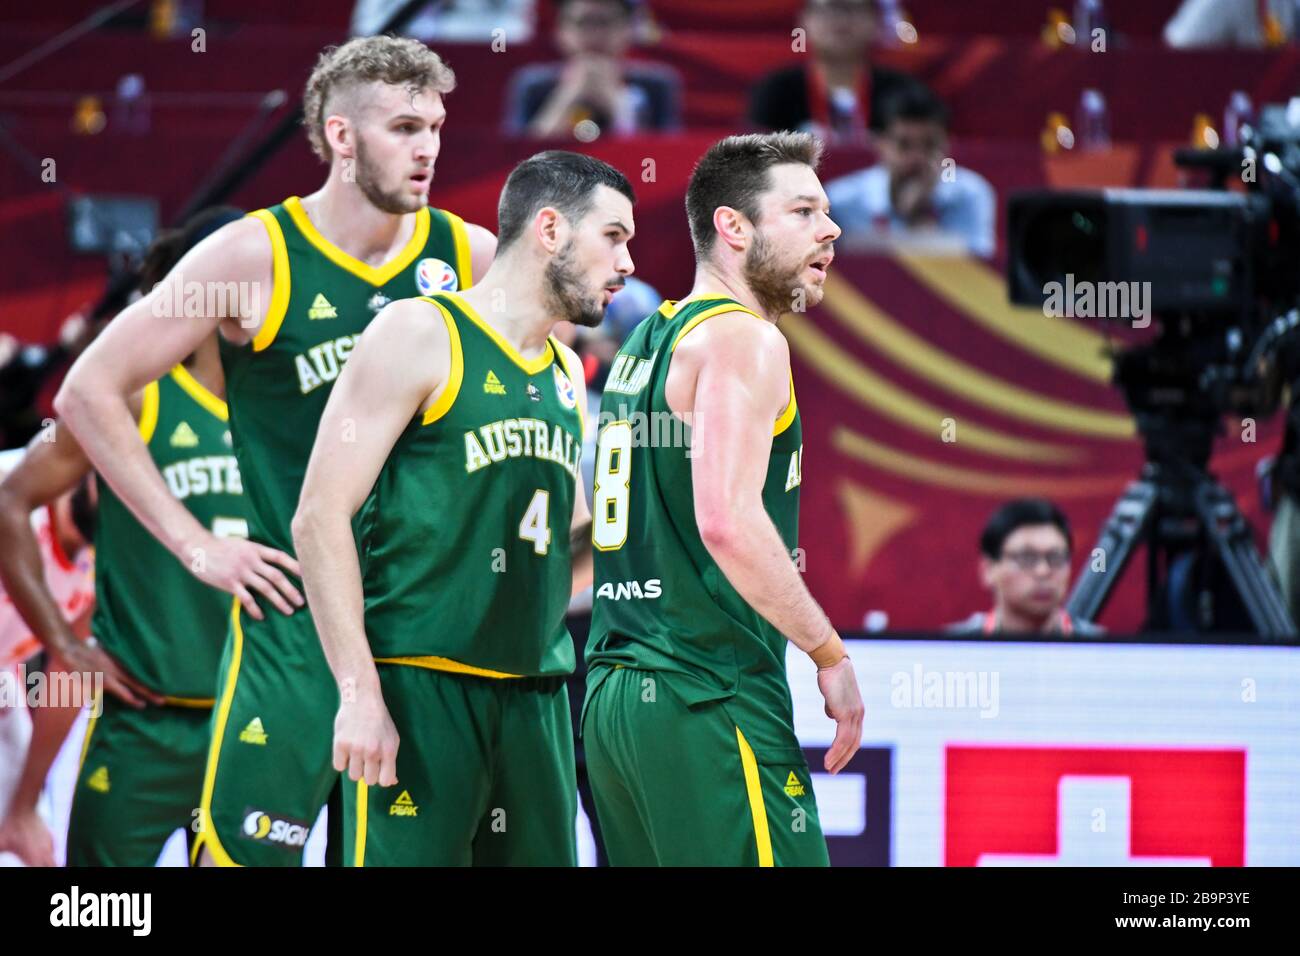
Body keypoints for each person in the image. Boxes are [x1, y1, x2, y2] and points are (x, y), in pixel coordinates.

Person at [54, 35, 496, 867]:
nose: (429, 145)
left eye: (435, 124)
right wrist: (197, 545)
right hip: (295, 627)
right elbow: (87, 391)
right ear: (339, 135)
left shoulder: (466, 256)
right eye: (404, 126)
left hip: (423, 624)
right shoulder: (254, 256)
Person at [293, 150, 634, 865]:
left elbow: (557, 559)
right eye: (614, 236)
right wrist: (358, 692)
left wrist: (638, 508)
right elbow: (319, 515)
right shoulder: (419, 332)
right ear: (550, 229)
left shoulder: (567, 371)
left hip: (536, 696)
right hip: (420, 687)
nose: (627, 262)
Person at [582, 132, 864, 867]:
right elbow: (728, 522)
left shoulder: (648, 337)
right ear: (732, 227)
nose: (830, 229)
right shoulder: (746, 340)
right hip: (707, 692)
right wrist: (827, 653)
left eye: (828, 212)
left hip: (616, 696)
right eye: (803, 211)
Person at [0, 207, 246, 868]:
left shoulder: (295, 410)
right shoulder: (132, 398)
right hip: (143, 727)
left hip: (250, 728)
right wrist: (63, 645)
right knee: (101, 915)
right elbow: (11, 498)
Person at [824, 85, 995, 257]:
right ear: (880, 145)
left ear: (947, 144)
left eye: (930, 145)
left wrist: (919, 217)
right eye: (904, 145)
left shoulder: (971, 193)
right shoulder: (841, 200)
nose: (917, 157)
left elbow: (980, 268)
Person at [748, 0, 930, 144]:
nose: (841, 20)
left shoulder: (904, 90)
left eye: (853, 8)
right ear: (804, 19)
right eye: (829, 7)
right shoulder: (775, 91)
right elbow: (756, 162)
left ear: (875, 20)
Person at [504, 0, 681, 138]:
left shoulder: (656, 85)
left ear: (628, 29)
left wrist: (618, 105)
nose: (594, 34)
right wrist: (567, 97)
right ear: (561, 31)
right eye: (583, 22)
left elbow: (662, 159)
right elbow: (515, 158)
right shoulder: (533, 85)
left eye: (605, 22)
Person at [946, 498, 1105, 636]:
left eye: (1055, 558)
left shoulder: (1106, 653)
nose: (1043, 571)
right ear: (988, 570)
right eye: (1027, 558)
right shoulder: (950, 652)